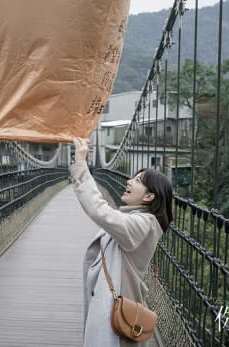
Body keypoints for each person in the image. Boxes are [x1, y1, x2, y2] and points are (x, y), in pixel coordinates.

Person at [69, 138, 174, 347]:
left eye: (137, 180)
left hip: (114, 317)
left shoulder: (143, 224)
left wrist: (81, 165)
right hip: (108, 308)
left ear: (149, 196)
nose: (128, 181)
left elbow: (100, 211)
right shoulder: (138, 219)